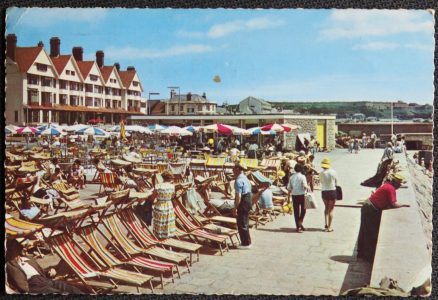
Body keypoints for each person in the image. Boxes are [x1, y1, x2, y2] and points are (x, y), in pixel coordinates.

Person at [357, 173, 410, 262]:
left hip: (368, 206)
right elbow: (394, 204)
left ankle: (361, 253)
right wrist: (403, 205)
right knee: (370, 232)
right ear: (396, 183)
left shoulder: (387, 185)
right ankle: (368, 256)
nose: (399, 186)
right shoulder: (391, 189)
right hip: (371, 209)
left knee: (364, 230)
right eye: (399, 184)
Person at [6, 239, 84, 294]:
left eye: (16, 247)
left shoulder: (28, 259)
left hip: (45, 280)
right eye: (11, 249)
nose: (20, 249)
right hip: (32, 285)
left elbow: (42, 271)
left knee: (70, 289)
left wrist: (49, 271)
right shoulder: (9, 265)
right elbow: (17, 282)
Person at [232, 163, 253, 249]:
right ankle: (247, 241)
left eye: (234, 168)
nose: (232, 170)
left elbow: (238, 196)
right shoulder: (245, 178)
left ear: (237, 169)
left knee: (241, 223)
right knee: (245, 221)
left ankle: (245, 244)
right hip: (248, 200)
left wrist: (235, 207)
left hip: (243, 201)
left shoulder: (238, 180)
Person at [153, 171, 176, 239]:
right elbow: (172, 196)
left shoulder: (158, 186)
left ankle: (159, 237)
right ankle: (167, 237)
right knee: (167, 222)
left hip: (160, 205)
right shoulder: (172, 186)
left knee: (160, 222)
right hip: (169, 205)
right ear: (170, 178)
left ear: (162, 178)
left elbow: (153, 196)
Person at [287, 163, 309, 233]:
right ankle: (300, 222)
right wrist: (308, 188)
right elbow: (305, 186)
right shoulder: (303, 177)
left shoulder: (291, 177)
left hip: (294, 195)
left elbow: (289, 188)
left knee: (296, 211)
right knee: (303, 210)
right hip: (302, 195)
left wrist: (288, 197)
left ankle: (298, 226)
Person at [319, 158, 338, 232]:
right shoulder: (333, 172)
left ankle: (326, 224)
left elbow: (321, 181)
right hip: (332, 191)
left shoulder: (320, 173)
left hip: (324, 191)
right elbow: (336, 182)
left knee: (326, 208)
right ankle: (329, 227)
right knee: (331, 210)